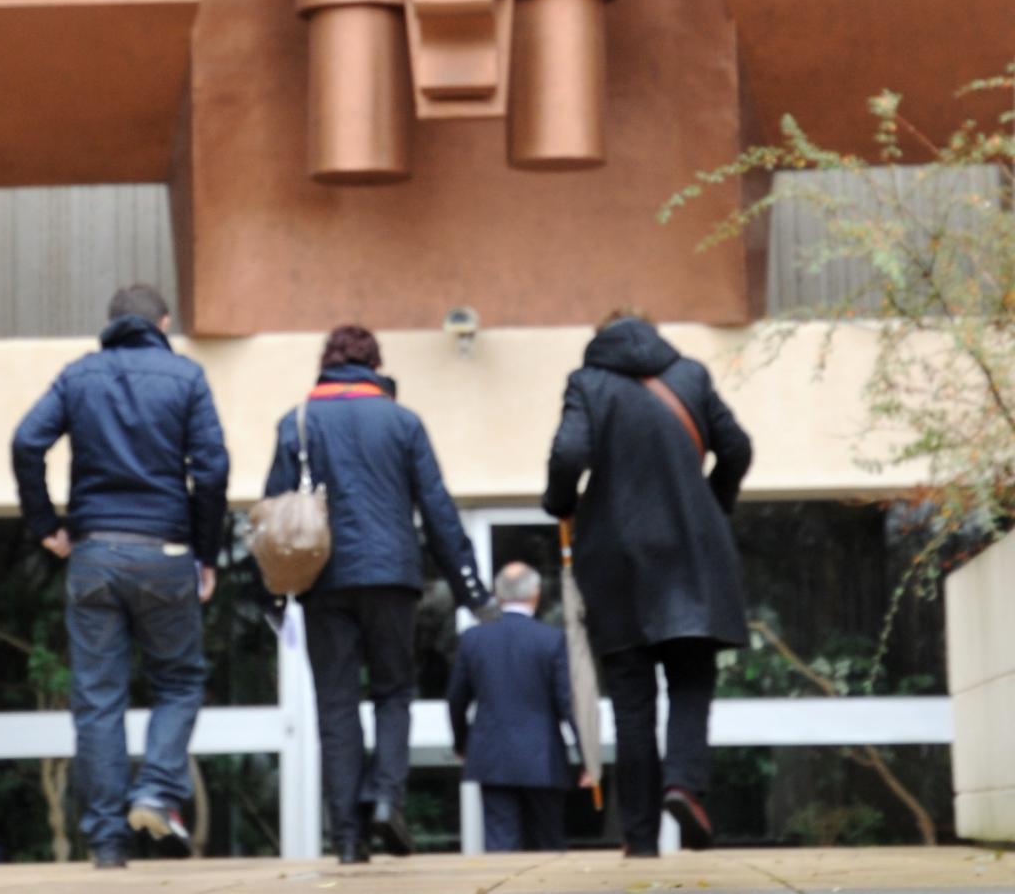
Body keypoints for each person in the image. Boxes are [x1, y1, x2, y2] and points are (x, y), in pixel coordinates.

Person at [11, 283, 228, 871]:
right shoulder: (186, 378)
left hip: (94, 554)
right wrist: (207, 554)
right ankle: (155, 790)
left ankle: (107, 843)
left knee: (97, 700)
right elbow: (211, 471)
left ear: (111, 324)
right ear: (163, 322)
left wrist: (45, 525)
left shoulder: (78, 376)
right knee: (179, 682)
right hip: (165, 552)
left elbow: (27, 441)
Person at [263, 324, 496, 866]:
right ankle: (387, 796)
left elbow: (274, 513)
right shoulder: (402, 421)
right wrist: (471, 589)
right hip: (392, 576)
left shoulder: (297, 422)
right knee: (393, 691)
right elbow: (437, 509)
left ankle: (348, 838)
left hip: (322, 580)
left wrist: (272, 593)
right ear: (375, 366)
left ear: (326, 363)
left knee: (336, 705)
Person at [543, 311, 752, 858]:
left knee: (633, 704)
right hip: (693, 556)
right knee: (690, 682)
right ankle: (684, 784)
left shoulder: (588, 383)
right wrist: (713, 504)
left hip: (617, 563)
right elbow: (736, 448)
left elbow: (569, 453)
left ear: (599, 341)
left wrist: (560, 503)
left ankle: (639, 838)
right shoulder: (691, 376)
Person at [447, 561, 579, 852]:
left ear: (497, 594)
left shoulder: (473, 639)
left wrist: (461, 743)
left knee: (500, 847)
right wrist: (587, 756)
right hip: (543, 758)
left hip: (492, 756)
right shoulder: (552, 639)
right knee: (548, 848)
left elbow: (456, 699)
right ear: (535, 593)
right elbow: (567, 702)